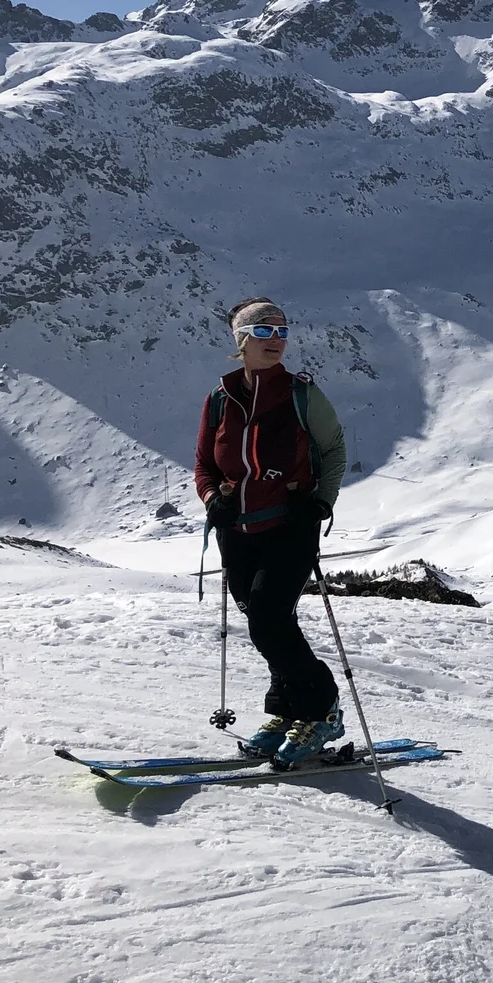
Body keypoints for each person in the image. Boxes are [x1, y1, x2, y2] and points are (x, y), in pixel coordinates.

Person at [194, 298, 348, 766]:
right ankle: (285, 712)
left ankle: (321, 710)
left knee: (267, 616)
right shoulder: (221, 399)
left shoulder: (301, 394)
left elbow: (334, 448)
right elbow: (203, 463)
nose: (276, 340)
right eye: (263, 332)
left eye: (282, 330)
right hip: (236, 531)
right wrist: (212, 499)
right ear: (240, 341)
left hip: (291, 525)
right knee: (266, 623)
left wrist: (320, 503)